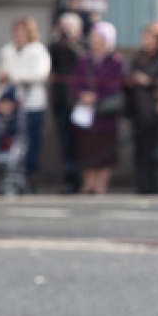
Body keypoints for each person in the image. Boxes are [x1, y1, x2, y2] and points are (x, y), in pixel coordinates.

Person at [0, 17, 51, 190]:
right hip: (10, 105)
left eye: (22, 32)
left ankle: (30, 178)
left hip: (32, 104)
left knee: (31, 144)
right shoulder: (7, 51)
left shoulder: (38, 51)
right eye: (16, 32)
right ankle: (10, 176)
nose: (18, 35)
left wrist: (13, 76)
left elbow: (40, 74)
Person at [69, 21, 123, 195]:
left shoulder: (115, 60)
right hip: (86, 112)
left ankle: (101, 184)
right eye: (93, 38)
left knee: (105, 149)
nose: (95, 42)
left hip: (105, 112)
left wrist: (97, 97)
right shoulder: (84, 60)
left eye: (100, 38)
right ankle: (88, 182)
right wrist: (82, 95)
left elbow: (116, 84)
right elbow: (75, 82)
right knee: (86, 148)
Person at [126, 21, 158, 194]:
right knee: (140, 151)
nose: (145, 41)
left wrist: (148, 81)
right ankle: (141, 185)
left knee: (155, 151)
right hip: (138, 111)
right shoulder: (138, 59)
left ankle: (156, 186)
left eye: (150, 37)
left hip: (154, 114)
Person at [48, 12, 84, 193]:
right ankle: (69, 180)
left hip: (78, 104)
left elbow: (82, 60)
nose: (66, 33)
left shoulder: (82, 47)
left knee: (82, 144)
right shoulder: (56, 47)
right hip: (61, 103)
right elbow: (49, 62)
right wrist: (57, 40)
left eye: (70, 29)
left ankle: (81, 180)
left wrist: (71, 43)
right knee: (65, 144)